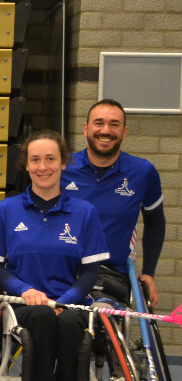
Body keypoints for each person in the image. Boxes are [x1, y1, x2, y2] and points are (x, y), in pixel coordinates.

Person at [0, 130, 109, 381]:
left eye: (50, 159)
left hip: (72, 302)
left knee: (68, 323)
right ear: (26, 165)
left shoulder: (84, 212)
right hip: (24, 305)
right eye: (35, 160)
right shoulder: (7, 210)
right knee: (39, 317)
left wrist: (66, 299)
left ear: (63, 163)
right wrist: (24, 289)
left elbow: (90, 271)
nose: (43, 166)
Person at [60, 99, 164, 307]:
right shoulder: (62, 168)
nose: (105, 130)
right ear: (86, 128)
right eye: (98, 123)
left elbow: (155, 222)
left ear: (124, 132)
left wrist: (149, 272)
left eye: (114, 124)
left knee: (99, 324)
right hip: (62, 271)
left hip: (109, 274)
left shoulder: (143, 172)